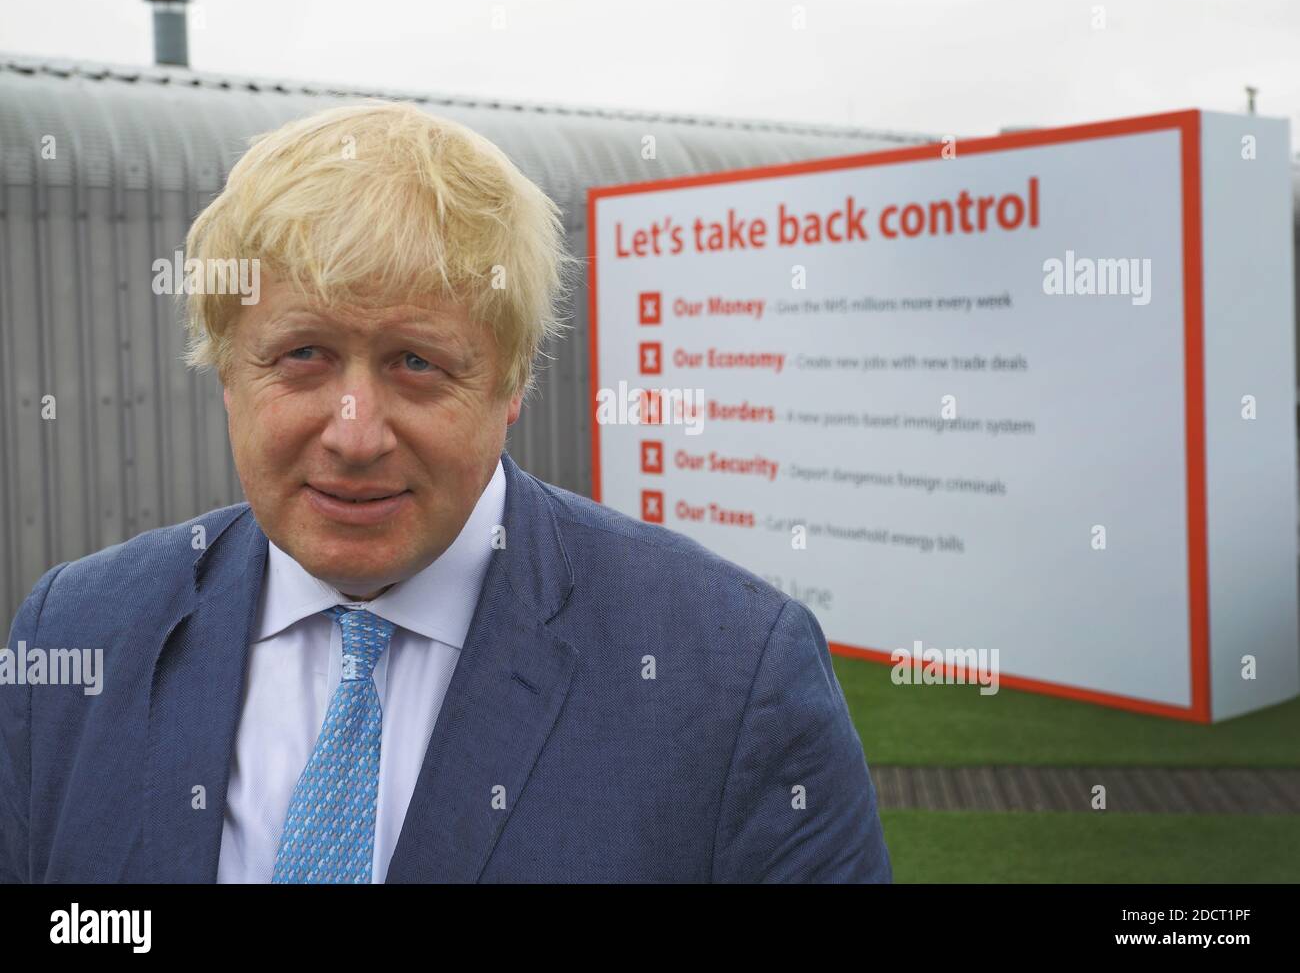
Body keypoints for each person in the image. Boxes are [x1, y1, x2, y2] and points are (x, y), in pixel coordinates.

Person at [0, 102, 892, 883]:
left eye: (417, 363)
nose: (354, 434)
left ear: (510, 386)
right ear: (228, 372)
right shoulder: (77, 633)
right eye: (302, 354)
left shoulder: (732, 677)